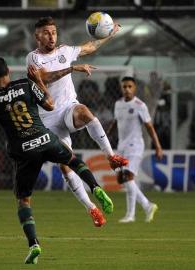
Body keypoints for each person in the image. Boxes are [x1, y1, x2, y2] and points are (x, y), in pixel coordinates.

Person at [0, 57, 117, 264]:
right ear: (8, 70)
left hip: (23, 151)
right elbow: (50, 105)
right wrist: (39, 82)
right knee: (73, 161)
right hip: (45, 139)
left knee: (23, 201)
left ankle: (34, 244)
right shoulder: (26, 84)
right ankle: (95, 187)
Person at [26, 17, 127, 226]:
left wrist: (109, 34)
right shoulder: (33, 58)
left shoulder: (65, 51)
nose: (51, 36)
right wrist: (73, 68)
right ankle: (92, 209)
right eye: (46, 32)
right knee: (66, 165)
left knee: (86, 112)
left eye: (53, 32)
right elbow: (45, 78)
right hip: (47, 119)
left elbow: (89, 47)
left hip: (67, 108)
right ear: (37, 36)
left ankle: (111, 157)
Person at [106, 77, 163, 223]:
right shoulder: (118, 104)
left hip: (135, 146)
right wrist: (104, 137)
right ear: (121, 88)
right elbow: (115, 122)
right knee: (121, 179)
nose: (127, 89)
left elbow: (149, 127)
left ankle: (130, 215)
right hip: (122, 146)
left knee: (128, 177)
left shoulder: (140, 105)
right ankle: (147, 205)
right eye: (124, 86)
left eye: (130, 86)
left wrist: (158, 146)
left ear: (135, 88)